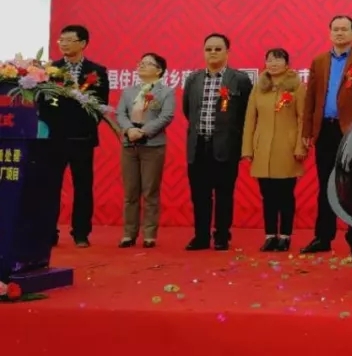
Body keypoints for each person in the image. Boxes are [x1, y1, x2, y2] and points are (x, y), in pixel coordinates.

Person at [301, 15, 352, 256]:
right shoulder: (319, 61)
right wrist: (307, 131)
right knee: (325, 185)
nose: (339, 33)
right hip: (325, 130)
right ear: (329, 33)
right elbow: (310, 98)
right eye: (335, 29)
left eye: (344, 29)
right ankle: (322, 237)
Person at [181, 33, 253, 251]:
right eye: (208, 49)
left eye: (218, 49)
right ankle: (201, 236)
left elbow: (246, 114)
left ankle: (222, 236)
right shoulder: (193, 79)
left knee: (224, 194)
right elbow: (188, 110)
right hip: (198, 145)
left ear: (227, 52)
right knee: (199, 195)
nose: (212, 53)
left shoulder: (239, 79)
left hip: (226, 146)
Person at [46, 24, 111, 248]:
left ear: (82, 43)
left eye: (69, 40)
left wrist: (85, 127)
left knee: (83, 187)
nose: (63, 44)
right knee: (50, 186)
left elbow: (100, 105)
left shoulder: (97, 71)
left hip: (82, 138)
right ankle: (49, 232)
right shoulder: (51, 70)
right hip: (54, 139)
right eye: (61, 40)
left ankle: (81, 232)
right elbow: (43, 103)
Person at [243, 48, 308, 253]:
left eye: (278, 60)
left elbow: (302, 119)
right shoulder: (259, 87)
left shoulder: (297, 86)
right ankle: (270, 235)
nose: (273, 63)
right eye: (269, 60)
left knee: (285, 195)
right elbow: (250, 119)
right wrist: (247, 148)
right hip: (262, 148)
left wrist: (300, 146)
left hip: (287, 148)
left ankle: (285, 236)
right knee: (267, 195)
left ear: (287, 64)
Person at [115, 52, 175, 248]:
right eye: (140, 63)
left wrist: (143, 131)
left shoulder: (166, 92)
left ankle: (149, 234)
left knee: (150, 191)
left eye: (147, 63)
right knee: (130, 192)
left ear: (159, 70)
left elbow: (166, 116)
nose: (141, 66)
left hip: (152, 145)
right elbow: (120, 113)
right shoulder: (129, 91)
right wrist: (129, 130)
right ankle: (128, 234)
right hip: (129, 144)